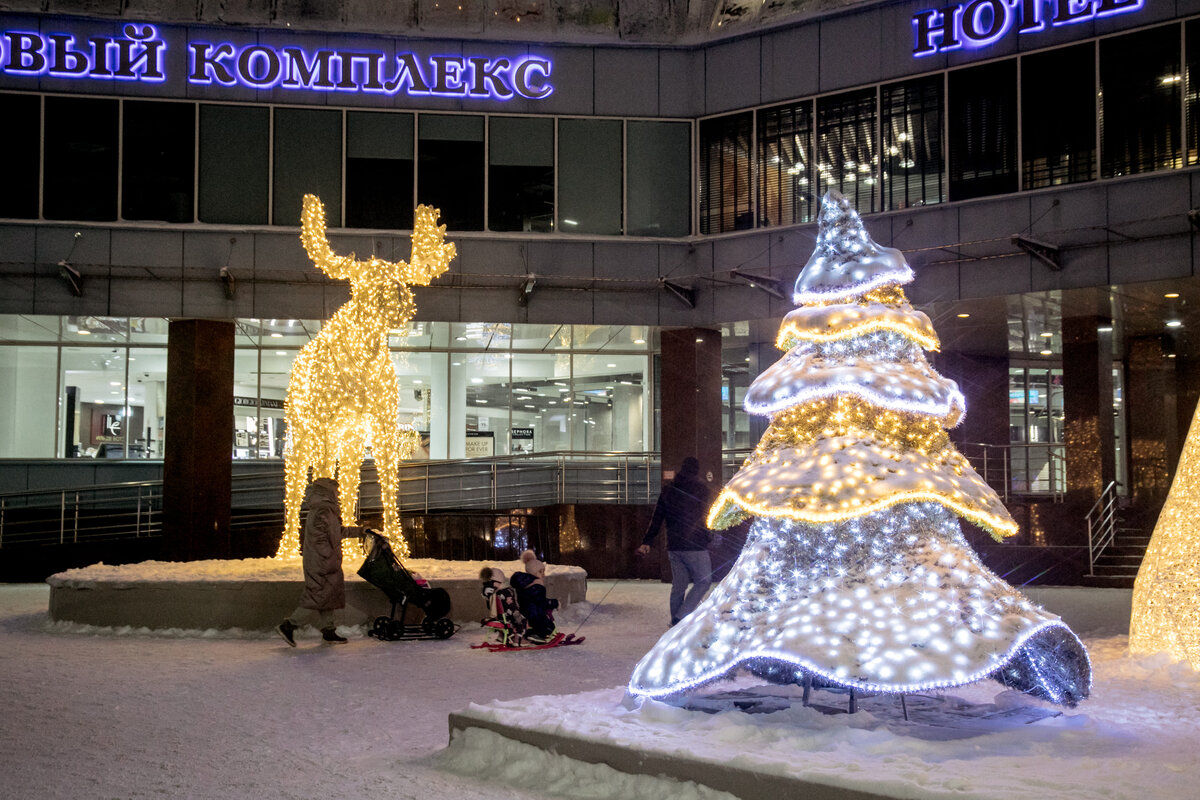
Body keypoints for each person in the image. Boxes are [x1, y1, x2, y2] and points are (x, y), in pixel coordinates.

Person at [276, 477, 367, 646]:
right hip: (321, 562)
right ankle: (289, 625)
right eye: (335, 490)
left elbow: (336, 532)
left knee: (327, 594)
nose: (338, 493)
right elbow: (320, 538)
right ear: (328, 492)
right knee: (317, 595)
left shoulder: (324, 510)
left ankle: (328, 630)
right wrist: (327, 557)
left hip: (323, 560)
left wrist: (360, 531)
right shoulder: (323, 510)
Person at [636, 456, 713, 627]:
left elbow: (657, 518)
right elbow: (706, 516)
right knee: (704, 581)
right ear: (696, 471)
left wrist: (646, 541)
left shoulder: (668, 490)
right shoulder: (701, 490)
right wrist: (710, 536)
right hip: (695, 545)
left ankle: (675, 622)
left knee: (679, 585)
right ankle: (681, 617)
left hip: (674, 546)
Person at [509, 550, 559, 643]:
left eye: (544, 571)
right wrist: (554, 603)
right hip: (534, 613)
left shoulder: (523, 583)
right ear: (533, 572)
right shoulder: (536, 585)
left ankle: (531, 634)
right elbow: (541, 601)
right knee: (549, 626)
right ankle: (537, 635)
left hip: (524, 611)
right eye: (540, 572)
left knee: (540, 619)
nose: (543, 574)